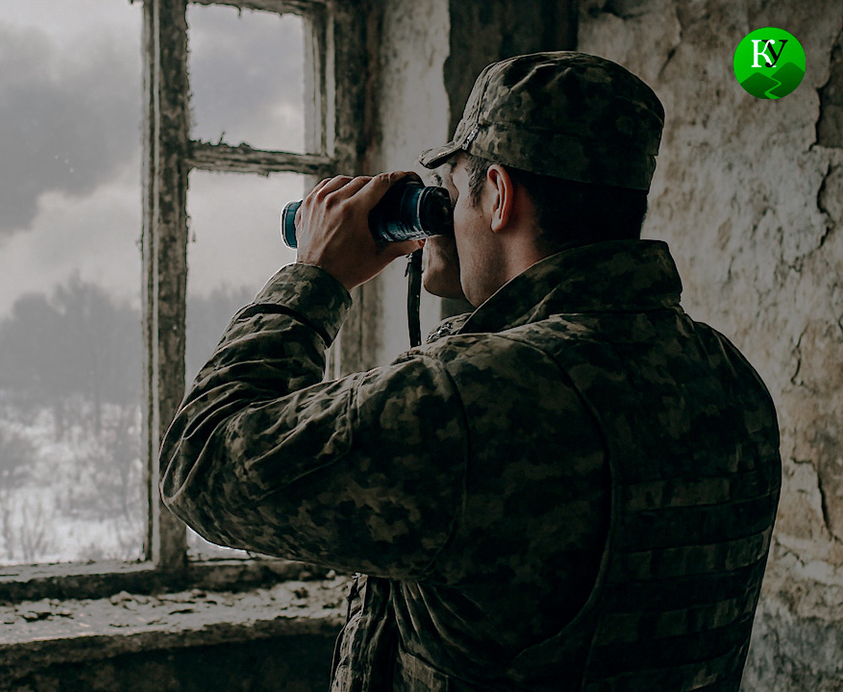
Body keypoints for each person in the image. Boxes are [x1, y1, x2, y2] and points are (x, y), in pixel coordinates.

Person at [159, 51, 781, 691]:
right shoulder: (731, 380)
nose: (443, 220)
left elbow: (201, 462)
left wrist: (315, 279)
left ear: (501, 197)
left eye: (453, 196)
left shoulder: (473, 400)